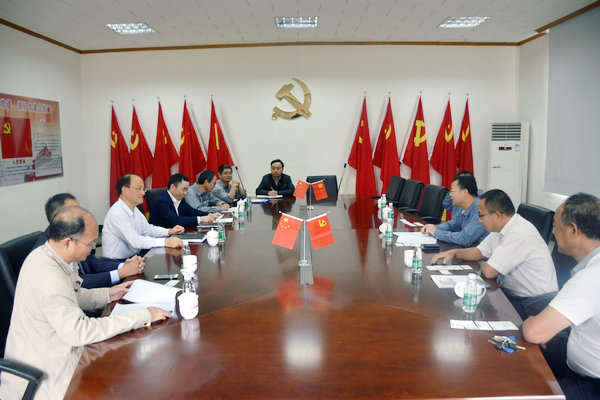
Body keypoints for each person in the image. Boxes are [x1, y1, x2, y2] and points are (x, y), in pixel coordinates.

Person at [0, 206, 171, 400]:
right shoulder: (48, 276)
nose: (92, 249)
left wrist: (108, 294)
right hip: (46, 374)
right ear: (68, 242)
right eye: (90, 243)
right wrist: (142, 315)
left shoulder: (49, 255)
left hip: (60, 348)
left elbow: (71, 295)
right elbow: (80, 331)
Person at [523, 193, 600, 399]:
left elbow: (534, 332)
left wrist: (531, 321)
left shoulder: (591, 277)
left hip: (591, 385)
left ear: (573, 230)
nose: (553, 232)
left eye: (556, 226)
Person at [432, 189, 558, 315]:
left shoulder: (519, 233)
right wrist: (454, 253)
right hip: (511, 293)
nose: (479, 220)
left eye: (481, 215)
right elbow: (479, 252)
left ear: (498, 215)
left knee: (471, 310)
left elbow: (489, 272)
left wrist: (485, 264)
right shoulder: (500, 227)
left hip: (532, 304)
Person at [32, 193, 144, 288]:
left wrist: (124, 265)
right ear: (60, 218)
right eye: (76, 212)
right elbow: (77, 285)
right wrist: (121, 273)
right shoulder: (47, 254)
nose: (83, 216)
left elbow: (92, 262)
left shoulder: (73, 235)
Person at [102, 174, 184, 259]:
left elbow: (148, 230)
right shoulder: (117, 213)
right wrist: (165, 242)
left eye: (143, 189)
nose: (143, 193)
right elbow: (135, 241)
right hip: (117, 262)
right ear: (125, 190)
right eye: (139, 189)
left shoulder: (134, 209)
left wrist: (169, 231)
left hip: (134, 257)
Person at [420, 174, 488, 247]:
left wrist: (436, 232)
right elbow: (453, 225)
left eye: (452, 191)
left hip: (478, 253)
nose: (450, 195)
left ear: (465, 192)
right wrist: (433, 227)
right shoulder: (465, 207)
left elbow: (464, 239)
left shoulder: (480, 210)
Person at [149, 173, 221, 228]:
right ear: (173, 187)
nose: (185, 193)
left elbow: (192, 211)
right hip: (162, 237)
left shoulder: (180, 199)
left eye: (186, 190)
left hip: (177, 233)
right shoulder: (162, 202)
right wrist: (200, 219)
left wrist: (209, 215)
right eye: (183, 189)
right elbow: (175, 221)